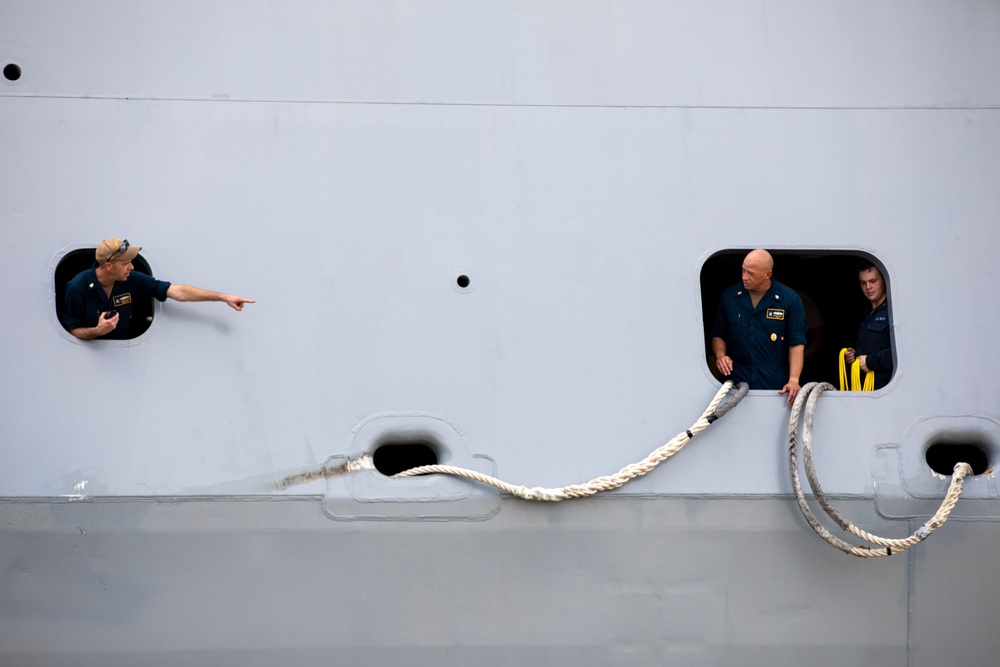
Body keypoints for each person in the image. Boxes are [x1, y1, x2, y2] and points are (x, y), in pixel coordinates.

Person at [62, 238, 255, 341]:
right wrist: (97, 331)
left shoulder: (132, 280)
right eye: (126, 263)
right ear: (108, 265)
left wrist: (223, 297)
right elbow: (73, 330)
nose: (132, 268)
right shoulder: (77, 287)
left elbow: (177, 291)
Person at [711, 249, 807, 406]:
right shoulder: (730, 296)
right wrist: (721, 355)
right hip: (737, 384)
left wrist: (794, 380)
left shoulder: (789, 299)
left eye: (751, 273)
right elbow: (718, 333)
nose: (744, 277)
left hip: (775, 386)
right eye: (743, 270)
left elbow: (796, 343)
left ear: (767, 274)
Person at [843, 262, 892, 390]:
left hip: (885, 391)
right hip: (864, 390)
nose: (868, 287)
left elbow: (902, 351)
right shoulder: (866, 312)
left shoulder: (893, 310)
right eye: (863, 283)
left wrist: (871, 362)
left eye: (873, 281)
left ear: (884, 280)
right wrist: (853, 355)